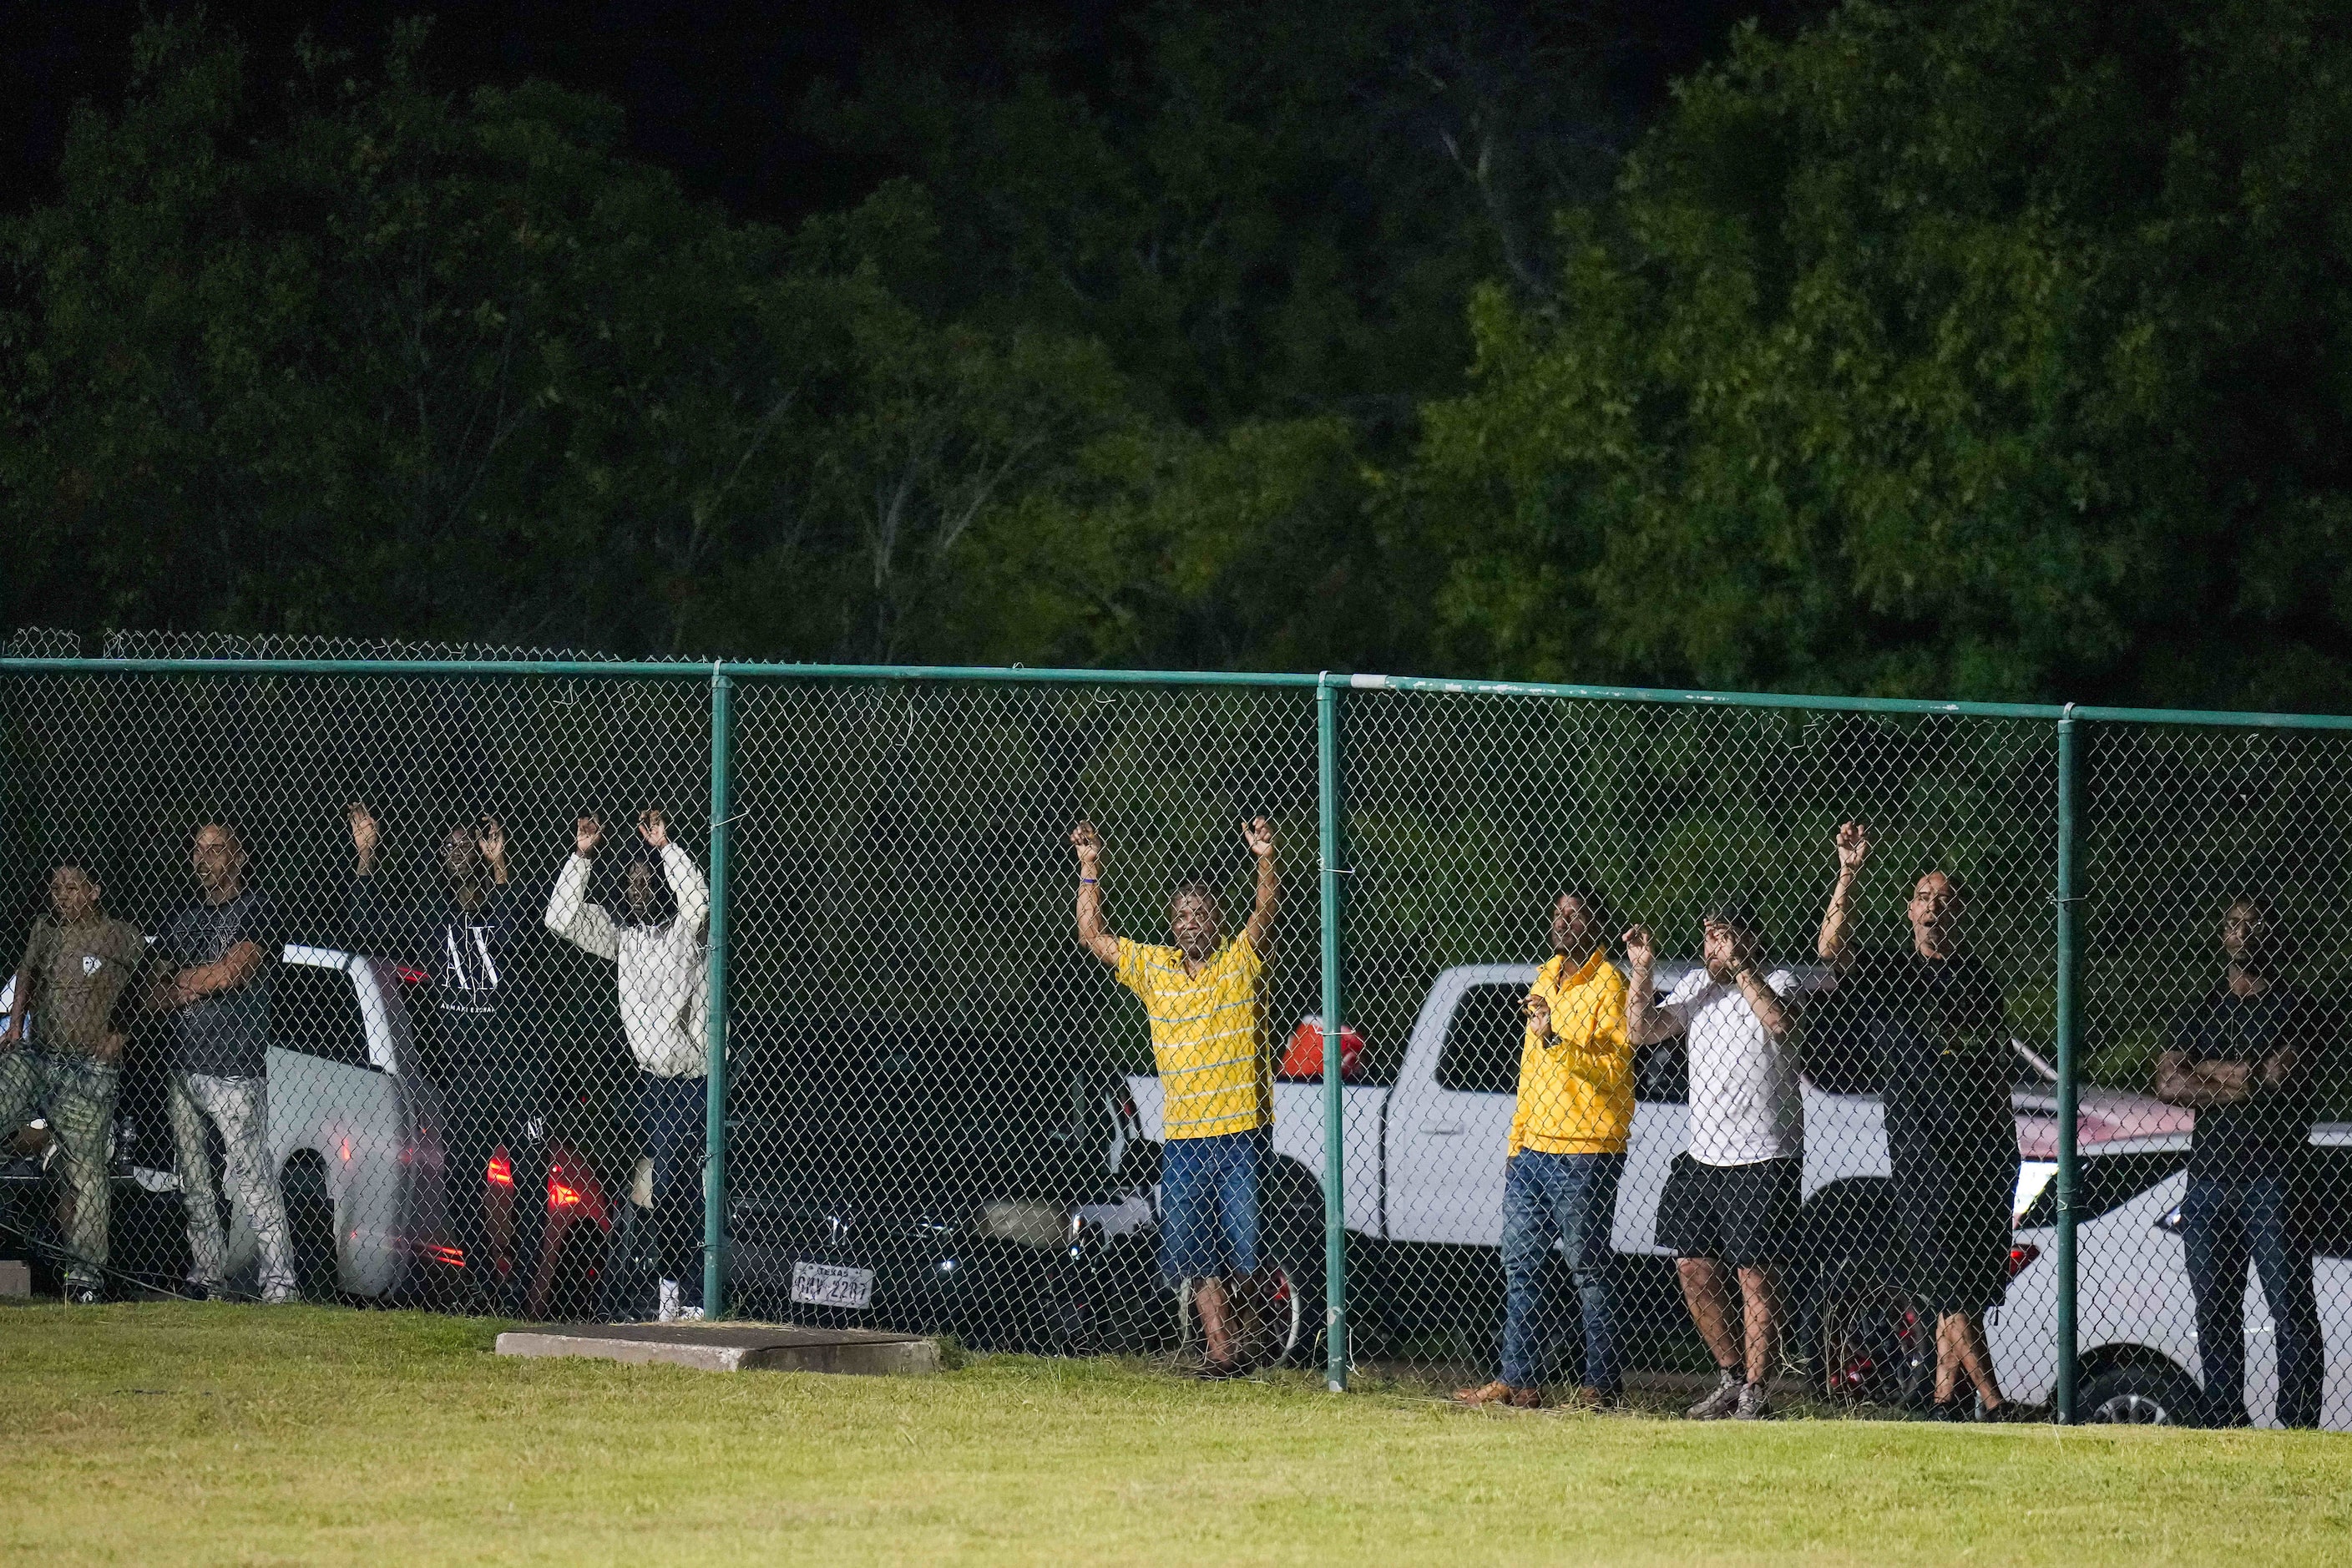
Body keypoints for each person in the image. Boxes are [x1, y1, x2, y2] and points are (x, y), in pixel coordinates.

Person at [1818, 822, 2031, 1419]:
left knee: (1962, 1286)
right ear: (1909, 910)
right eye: (1924, 898)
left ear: (1959, 915)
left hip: (1983, 1150)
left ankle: (1941, 1402)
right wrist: (1848, 873)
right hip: (1923, 1153)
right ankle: (1992, 1400)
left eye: (1946, 900)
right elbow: (1830, 947)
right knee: (1950, 1282)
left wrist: (2006, 1145)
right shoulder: (1892, 974)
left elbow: (1992, 1068)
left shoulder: (1978, 980)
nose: (1934, 907)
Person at [1072, 816, 1277, 1377]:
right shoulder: (1154, 968)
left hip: (1241, 1133)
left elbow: (1265, 915)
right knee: (1195, 1253)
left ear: (1215, 921)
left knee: (1247, 1251)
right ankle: (1220, 1353)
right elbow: (1092, 937)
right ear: (1172, 924)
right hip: (1184, 1138)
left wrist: (1264, 858)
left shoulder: (1239, 963)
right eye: (1181, 915)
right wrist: (1090, 866)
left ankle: (1251, 1334)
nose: (1191, 923)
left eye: (1200, 913)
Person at [346, 802, 537, 1308]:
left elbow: (521, 935)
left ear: (482, 846)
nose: (453, 852)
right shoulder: (435, 919)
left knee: (531, 1176)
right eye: (446, 845)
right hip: (466, 1071)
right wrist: (366, 857)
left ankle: (521, 1285)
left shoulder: (503, 905)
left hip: (516, 1069)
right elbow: (365, 927)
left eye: (463, 843)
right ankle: (485, 1282)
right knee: (461, 1178)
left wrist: (501, 868)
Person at [1455, 889, 1632, 1410]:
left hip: (1585, 1147)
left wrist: (1556, 1038)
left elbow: (1613, 1070)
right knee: (1521, 1265)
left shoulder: (1609, 985)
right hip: (1531, 1147)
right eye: (1557, 914)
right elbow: (1532, 1070)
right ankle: (1519, 1381)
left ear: (1596, 923)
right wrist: (1517, 1139)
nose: (1562, 922)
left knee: (1588, 1267)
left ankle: (1601, 1386)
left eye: (1574, 915)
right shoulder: (1545, 975)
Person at [2153, 893, 2326, 1428]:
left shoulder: (2298, 1007)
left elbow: (2281, 1076)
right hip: (2207, 1181)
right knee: (2215, 1312)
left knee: (2290, 1311)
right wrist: (2244, 1076)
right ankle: (2227, 1419)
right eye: (2233, 923)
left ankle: (2297, 1424)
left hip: (2272, 1179)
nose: (2243, 933)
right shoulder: (2202, 1007)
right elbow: (2166, 1082)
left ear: (2272, 934)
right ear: (2222, 934)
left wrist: (2207, 1074)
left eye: (2254, 924)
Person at [1626, 905, 1800, 1420]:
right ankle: (1729, 1376)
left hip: (1765, 1152)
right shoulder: (1695, 986)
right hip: (1703, 1153)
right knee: (1691, 1265)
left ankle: (1757, 1391)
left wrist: (1743, 969)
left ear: (1750, 938)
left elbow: (1780, 1024)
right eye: (1708, 936)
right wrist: (1642, 971)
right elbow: (1641, 1032)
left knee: (1754, 1275)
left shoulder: (1779, 980)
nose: (1713, 946)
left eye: (1724, 935)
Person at [545, 808, 711, 1323]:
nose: (639, 889)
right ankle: (670, 1298)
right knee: (661, 1190)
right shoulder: (624, 937)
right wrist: (582, 856)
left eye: (647, 880)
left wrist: (665, 848)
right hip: (653, 1085)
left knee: (689, 1184)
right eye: (633, 881)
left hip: (698, 1078)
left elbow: (700, 901)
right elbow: (561, 919)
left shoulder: (689, 932)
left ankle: (701, 1296)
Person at [148, 822, 297, 1302]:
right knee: (195, 1182)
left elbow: (235, 972)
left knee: (252, 1179)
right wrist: (193, 982)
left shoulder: (259, 909)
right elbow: (152, 987)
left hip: (235, 1068)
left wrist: (184, 983)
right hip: (185, 1067)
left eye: (215, 851)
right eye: (198, 850)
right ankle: (206, 1275)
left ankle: (280, 1286)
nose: (203, 859)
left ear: (238, 856)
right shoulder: (182, 917)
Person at [1, 860, 146, 1303]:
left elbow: (146, 987)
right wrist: (15, 1024)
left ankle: (84, 1279)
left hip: (87, 1069)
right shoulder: (45, 931)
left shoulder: (121, 935)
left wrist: (120, 1034)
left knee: (85, 1169)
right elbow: (26, 975)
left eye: (71, 888)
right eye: (56, 888)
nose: (61, 896)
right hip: (39, 1057)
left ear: (94, 890)